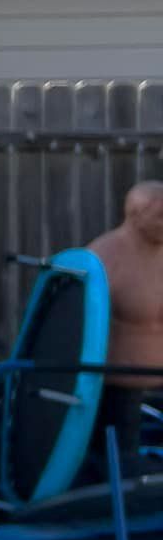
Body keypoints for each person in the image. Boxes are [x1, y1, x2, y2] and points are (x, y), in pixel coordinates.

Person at [88, 181, 163, 473]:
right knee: (120, 462)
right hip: (117, 390)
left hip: (157, 383)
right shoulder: (104, 257)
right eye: (160, 216)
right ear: (135, 215)